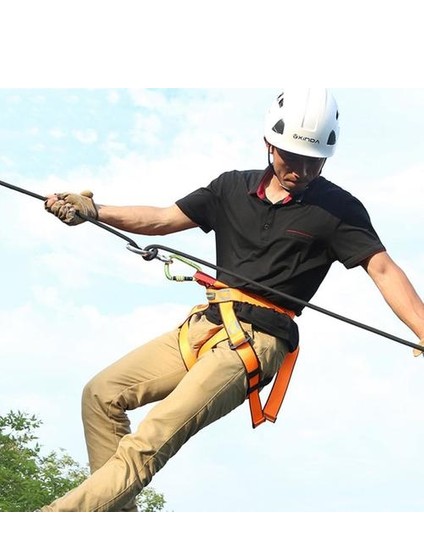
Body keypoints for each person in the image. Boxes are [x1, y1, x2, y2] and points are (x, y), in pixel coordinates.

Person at [40, 88, 424, 512]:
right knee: (101, 394)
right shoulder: (230, 188)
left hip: (258, 341)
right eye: (291, 157)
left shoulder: (339, 210)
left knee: (150, 439)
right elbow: (163, 218)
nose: (302, 169)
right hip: (206, 324)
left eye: (314, 160)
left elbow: (384, 269)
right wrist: (95, 210)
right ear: (269, 144)